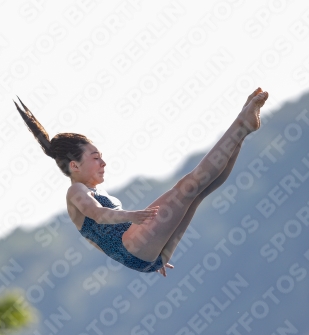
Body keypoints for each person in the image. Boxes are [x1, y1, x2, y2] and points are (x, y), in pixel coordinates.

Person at [15, 88, 268, 276]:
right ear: (74, 165)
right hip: (135, 249)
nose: (103, 163)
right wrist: (133, 217)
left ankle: (242, 132)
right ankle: (241, 123)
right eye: (95, 158)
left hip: (146, 255)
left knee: (197, 191)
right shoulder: (76, 192)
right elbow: (99, 215)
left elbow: (98, 239)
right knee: (188, 186)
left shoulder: (90, 191)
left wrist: (152, 250)